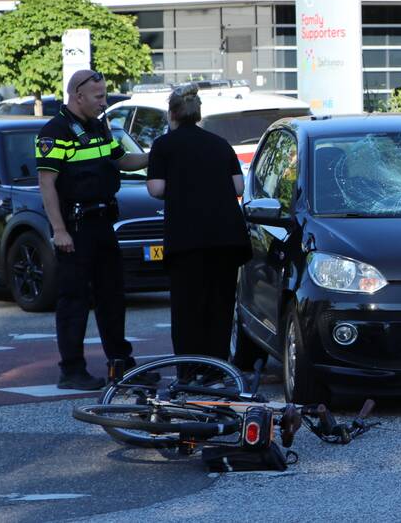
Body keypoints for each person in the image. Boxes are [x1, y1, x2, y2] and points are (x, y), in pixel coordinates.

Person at [36, 69, 150, 390]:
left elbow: (121, 160)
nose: (103, 102)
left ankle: (120, 365)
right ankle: (71, 371)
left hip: (103, 224)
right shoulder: (54, 131)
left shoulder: (100, 126)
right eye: (98, 97)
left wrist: (158, 155)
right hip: (75, 227)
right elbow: (47, 185)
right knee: (74, 300)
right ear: (78, 96)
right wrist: (59, 230)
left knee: (112, 296)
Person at [147, 85, 251, 360]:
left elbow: (156, 189)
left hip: (187, 239)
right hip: (226, 237)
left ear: (172, 113)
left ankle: (190, 368)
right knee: (220, 305)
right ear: (198, 112)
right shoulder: (219, 143)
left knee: (187, 307)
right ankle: (217, 366)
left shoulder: (163, 145)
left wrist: (183, 188)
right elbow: (239, 186)